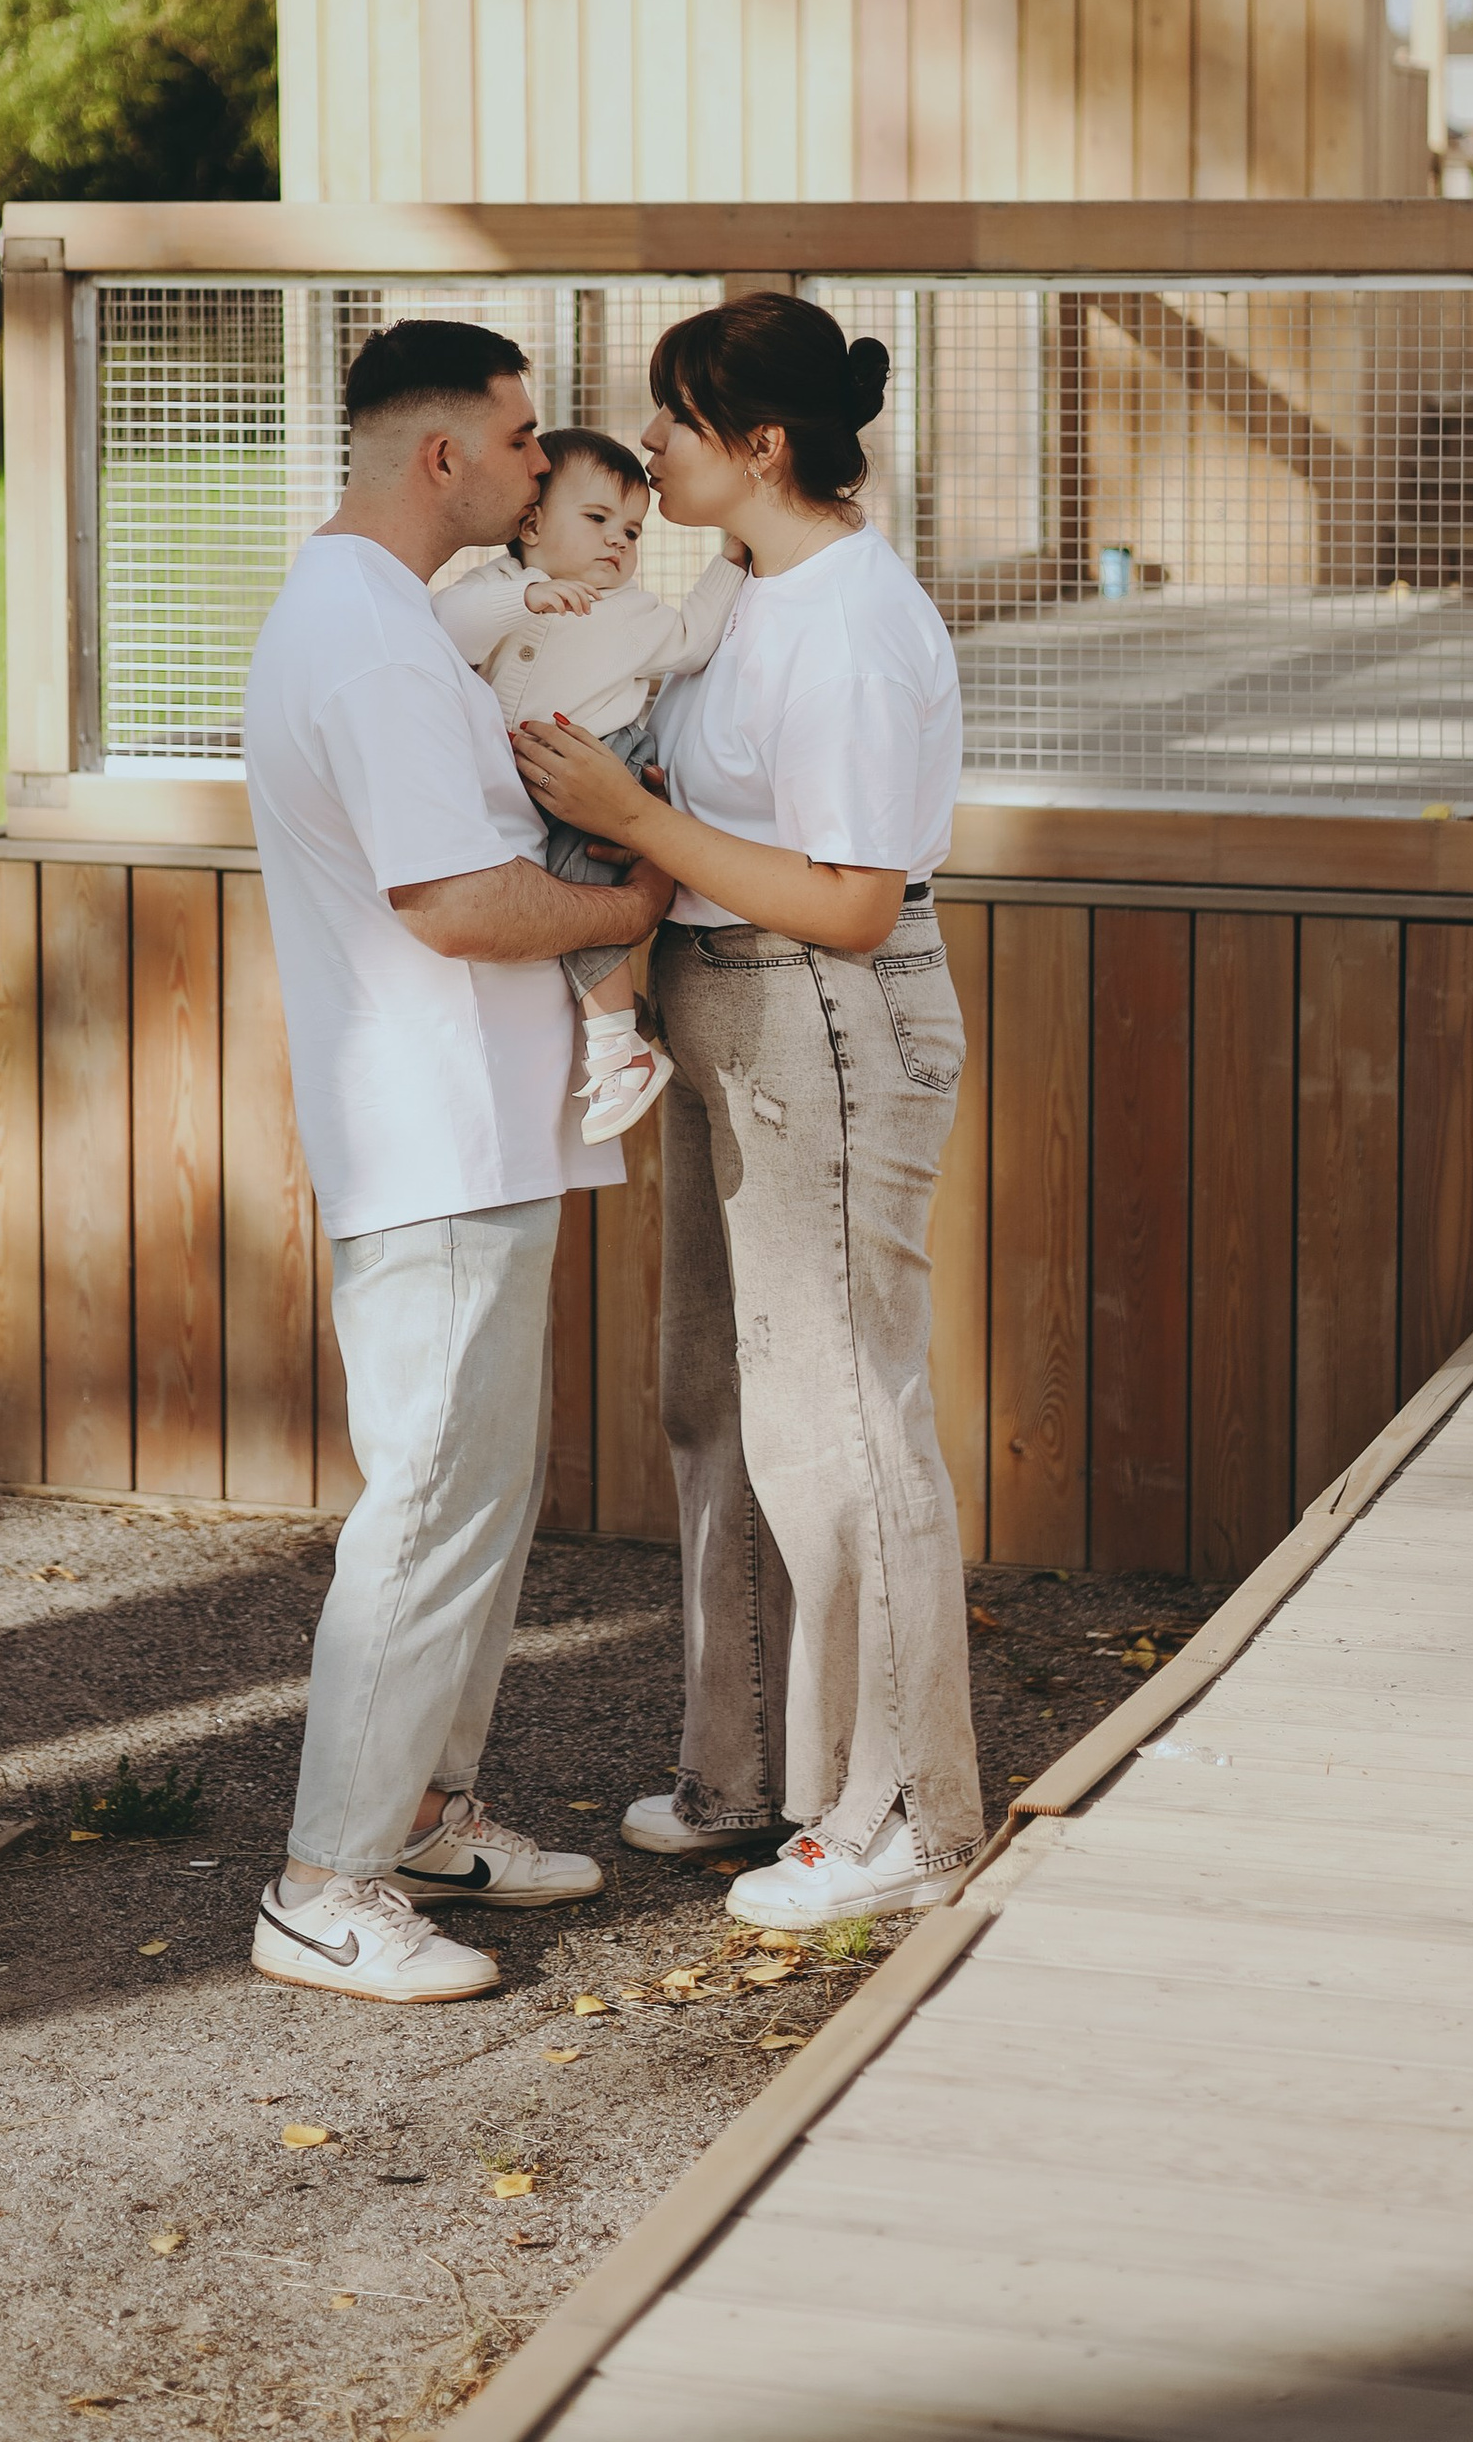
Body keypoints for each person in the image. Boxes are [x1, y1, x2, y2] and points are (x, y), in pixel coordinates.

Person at [509, 292, 980, 1934]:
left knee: (841, 1413)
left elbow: (854, 899)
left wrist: (636, 819)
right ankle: (753, 1776)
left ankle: (910, 1814)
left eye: (677, 420)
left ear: (762, 444)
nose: (646, 445)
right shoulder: (748, 587)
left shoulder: (849, 622)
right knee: (717, 1399)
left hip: (821, 1011)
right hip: (728, 1004)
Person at [240, 319, 672, 2006]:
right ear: (443, 457)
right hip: (431, 1139)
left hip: (478, 1132)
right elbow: (458, 901)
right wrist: (640, 888)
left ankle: (422, 1816)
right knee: (427, 1505)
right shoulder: (368, 643)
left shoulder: (396, 620)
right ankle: (323, 1885)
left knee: (477, 1500)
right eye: (518, 439)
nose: (540, 463)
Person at [435, 425, 745, 1143]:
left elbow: (694, 639)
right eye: (598, 518)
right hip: (529, 783)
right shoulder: (496, 588)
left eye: (631, 531)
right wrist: (531, 597)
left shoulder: (629, 611)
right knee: (532, 899)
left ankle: (618, 1051)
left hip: (603, 765)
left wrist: (730, 561)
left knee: (578, 889)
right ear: (532, 524)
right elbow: (447, 627)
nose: (617, 542)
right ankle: (615, 1013)